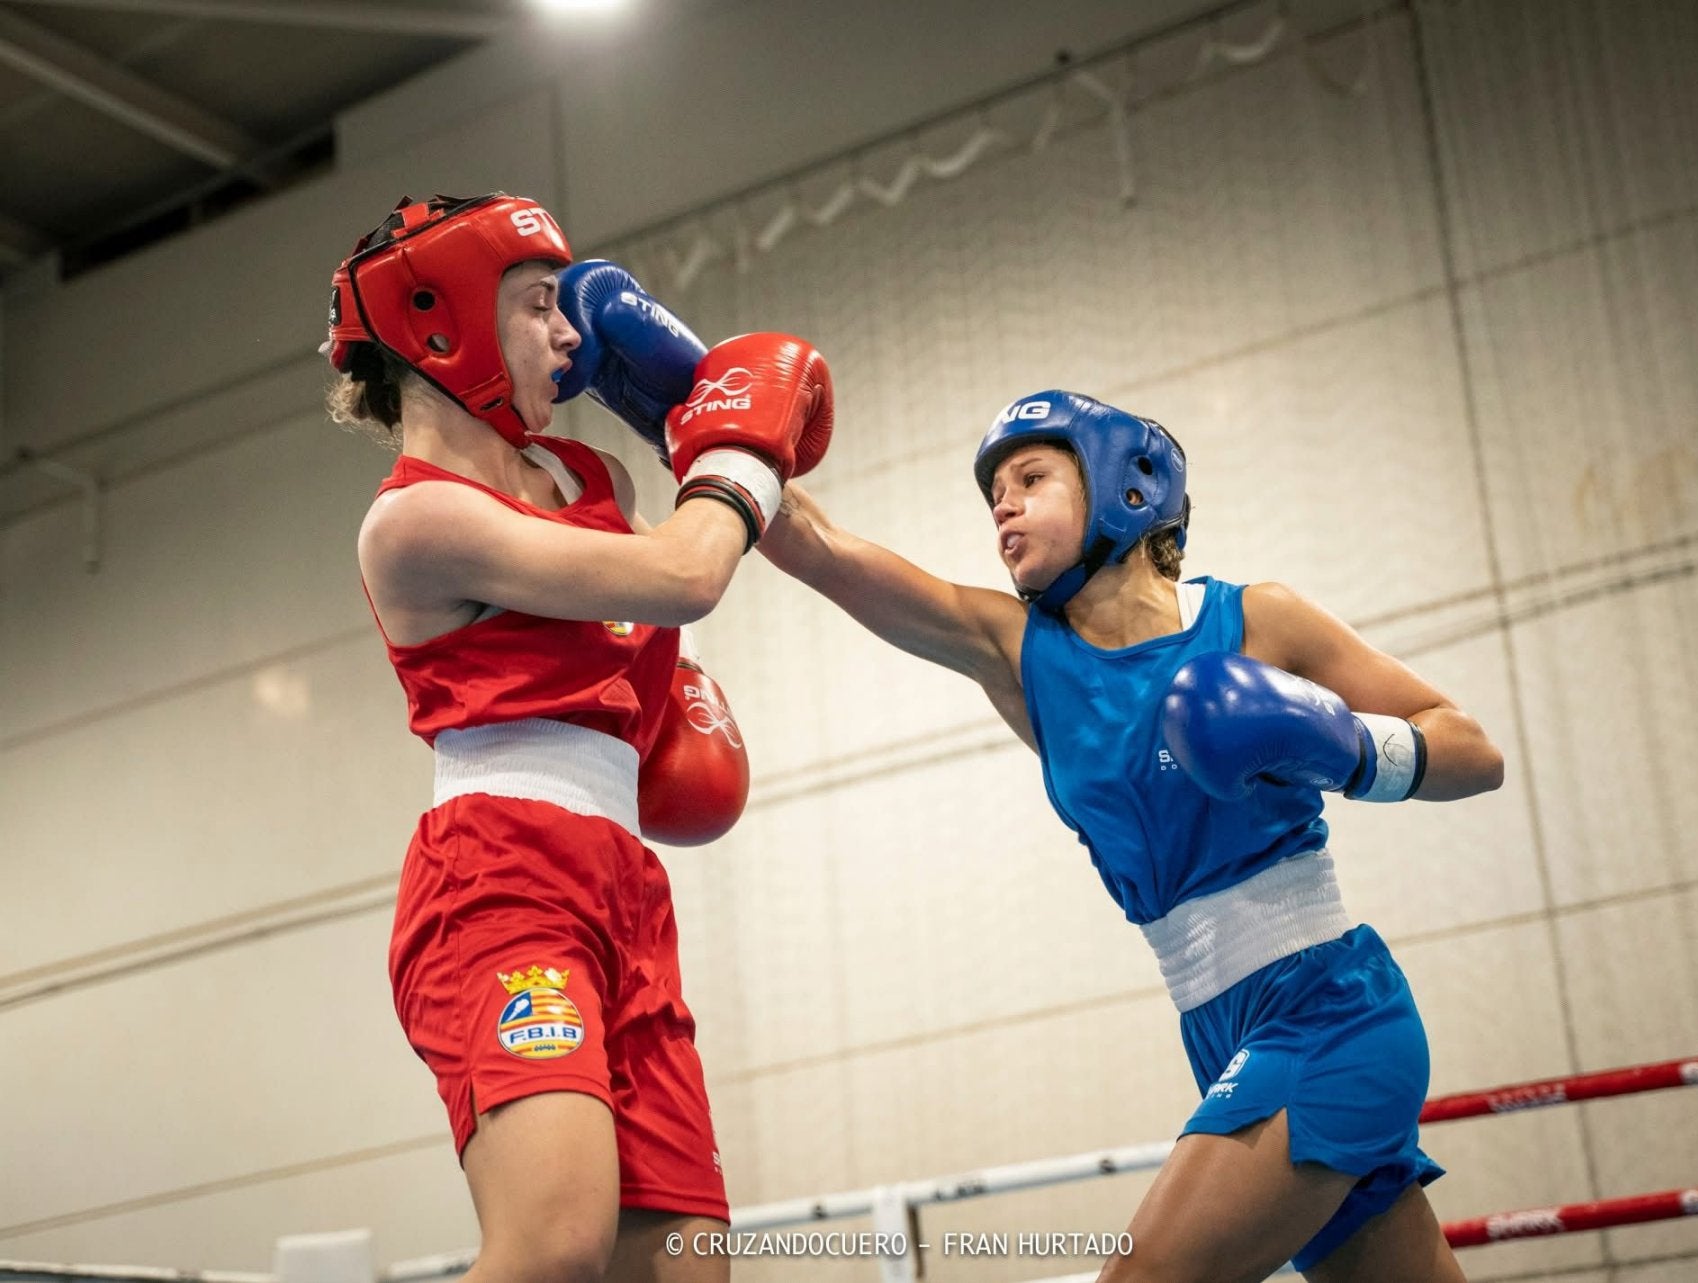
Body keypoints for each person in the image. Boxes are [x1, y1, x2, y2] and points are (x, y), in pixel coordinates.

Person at [757, 389, 1504, 1283]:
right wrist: (691, 410)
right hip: (1217, 1025)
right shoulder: (1018, 651)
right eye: (993, 489)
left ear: (1129, 486)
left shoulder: (1256, 621)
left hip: (1329, 1012)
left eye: (1031, 476)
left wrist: (1344, 746)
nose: (1003, 502)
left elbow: (1472, 749)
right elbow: (820, 547)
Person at [323, 191, 832, 1283]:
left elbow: (665, 637)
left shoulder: (595, 484)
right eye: (543, 305)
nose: (574, 335)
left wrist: (692, 431)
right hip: (498, 876)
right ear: (441, 320)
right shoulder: (414, 521)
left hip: (624, 886)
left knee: (688, 1266)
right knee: (554, 1246)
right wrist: (732, 435)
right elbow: (690, 573)